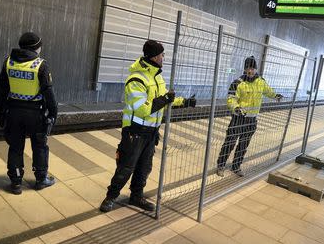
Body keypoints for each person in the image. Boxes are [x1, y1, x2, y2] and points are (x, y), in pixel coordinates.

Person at [99, 40, 196, 212]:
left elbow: (164, 99)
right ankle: (110, 197)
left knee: (144, 167)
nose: (163, 58)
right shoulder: (136, 79)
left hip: (151, 132)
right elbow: (142, 109)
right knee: (126, 167)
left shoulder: (157, 77)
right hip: (135, 131)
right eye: (162, 55)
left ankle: (136, 197)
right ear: (155, 56)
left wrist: (184, 102)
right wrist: (166, 99)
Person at [0, 32, 58, 195]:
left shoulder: (8, 62)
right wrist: (53, 114)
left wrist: (1, 114)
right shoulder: (41, 65)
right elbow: (49, 94)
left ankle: (16, 182)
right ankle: (40, 179)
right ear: (36, 48)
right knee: (39, 146)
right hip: (35, 114)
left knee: (15, 146)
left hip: (13, 112)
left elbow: (1, 91)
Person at [216, 56, 282, 177]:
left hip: (252, 120)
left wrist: (275, 95)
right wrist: (236, 108)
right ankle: (221, 165)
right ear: (245, 69)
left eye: (252, 68)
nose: (250, 71)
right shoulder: (238, 83)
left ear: (256, 69)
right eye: (247, 68)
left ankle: (236, 166)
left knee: (243, 144)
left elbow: (269, 91)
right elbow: (231, 99)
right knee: (230, 142)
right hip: (238, 118)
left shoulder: (261, 82)